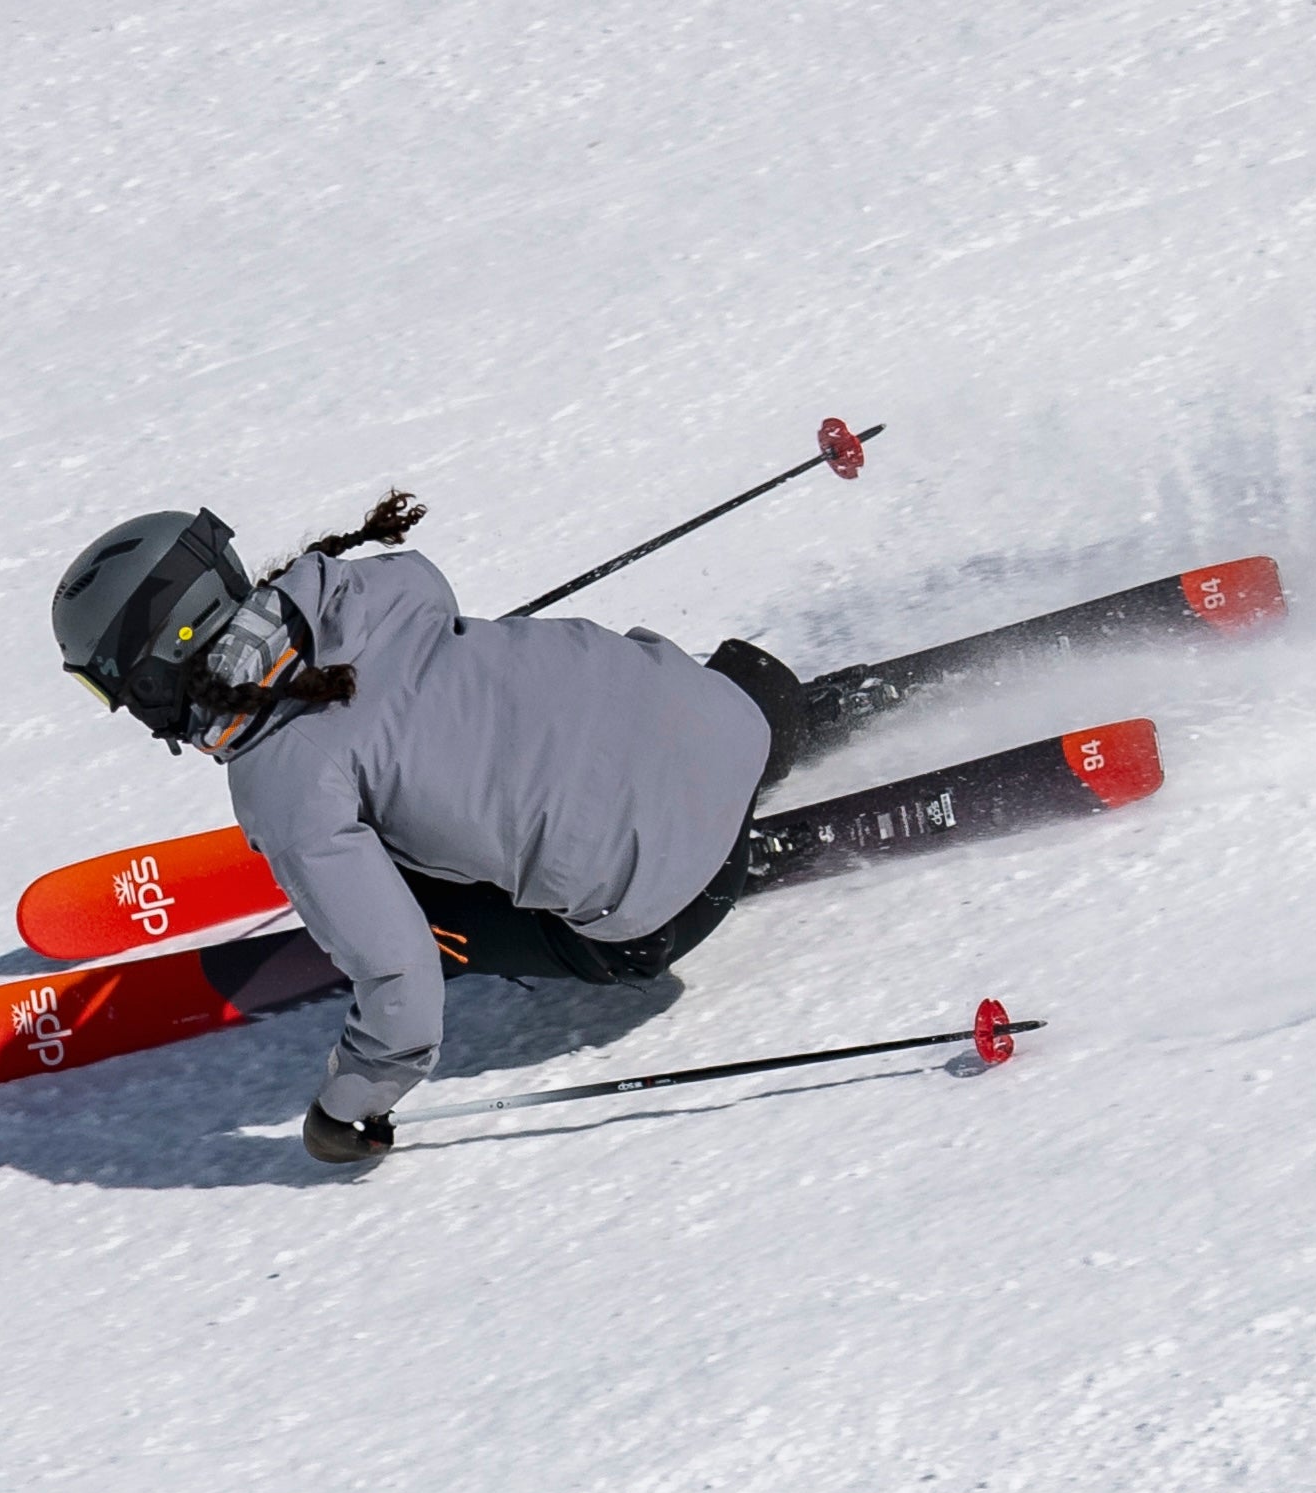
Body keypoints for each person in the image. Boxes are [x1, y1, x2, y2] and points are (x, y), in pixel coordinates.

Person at [51, 497, 808, 1165]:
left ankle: (662, 859)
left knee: (399, 894)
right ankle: (797, 724)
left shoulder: (284, 777)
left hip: (662, 915)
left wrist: (346, 1109)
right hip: (728, 720)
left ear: (152, 673)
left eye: (103, 686)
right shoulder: (367, 592)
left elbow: (402, 978)